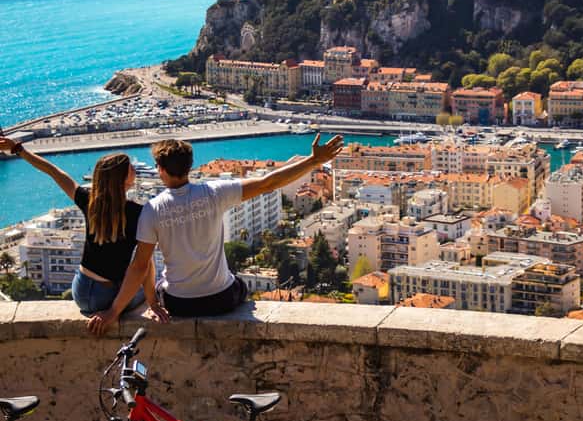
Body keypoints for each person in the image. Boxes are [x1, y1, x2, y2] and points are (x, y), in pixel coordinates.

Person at [87, 132, 343, 332]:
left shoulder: (152, 210)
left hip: (179, 303)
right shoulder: (214, 193)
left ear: (160, 168)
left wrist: (125, 310)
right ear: (189, 166)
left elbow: (140, 266)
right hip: (221, 299)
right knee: (237, 281)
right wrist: (314, 161)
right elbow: (269, 182)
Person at [0, 138, 162, 316]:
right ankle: (153, 303)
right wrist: (119, 311)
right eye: (130, 167)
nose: (134, 169)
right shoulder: (138, 213)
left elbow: (54, 172)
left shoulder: (89, 201)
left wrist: (18, 149)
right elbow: (141, 268)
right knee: (147, 265)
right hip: (104, 297)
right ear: (123, 178)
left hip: (81, 290)